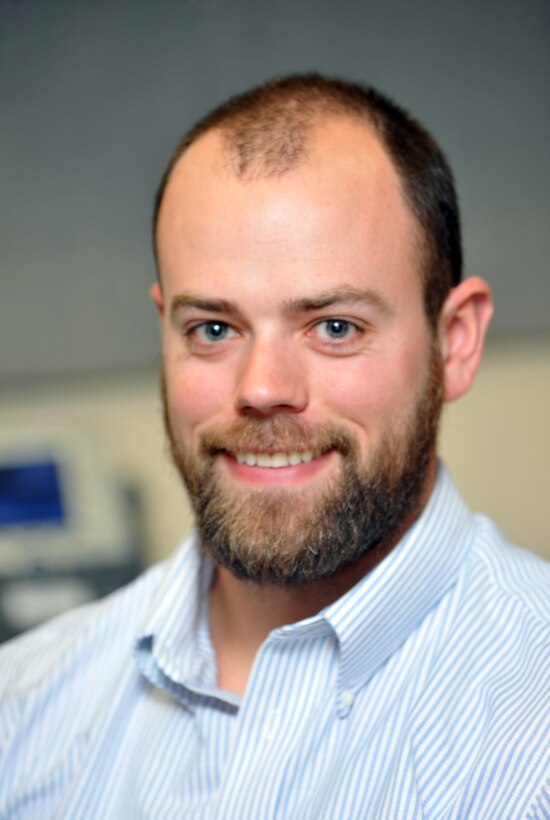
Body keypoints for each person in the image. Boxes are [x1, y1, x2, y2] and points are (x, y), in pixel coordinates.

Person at [1, 74, 549, 819]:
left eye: (334, 327)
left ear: (454, 344)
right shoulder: (21, 713)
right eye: (214, 330)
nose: (262, 389)